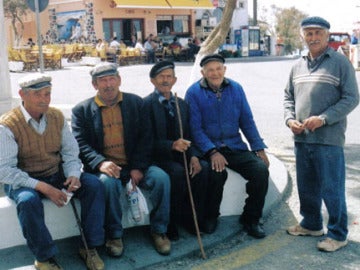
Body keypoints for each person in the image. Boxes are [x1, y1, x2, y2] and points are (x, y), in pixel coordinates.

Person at [0, 73, 106, 270]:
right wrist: (45, 188)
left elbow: (70, 151)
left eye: (47, 94)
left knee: (93, 185)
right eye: (38, 94)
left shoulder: (56, 116)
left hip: (54, 172)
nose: (44, 99)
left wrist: (73, 173)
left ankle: (89, 247)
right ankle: (44, 258)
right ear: (22, 94)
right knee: (27, 201)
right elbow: (4, 171)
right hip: (24, 179)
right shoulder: (7, 125)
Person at [71, 62, 172, 256]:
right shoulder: (81, 110)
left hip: (135, 164)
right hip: (108, 167)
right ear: (95, 85)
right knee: (106, 185)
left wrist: (138, 167)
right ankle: (114, 235)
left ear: (119, 80)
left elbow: (146, 137)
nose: (108, 85)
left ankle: (160, 231)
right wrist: (100, 162)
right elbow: (80, 143)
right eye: (102, 81)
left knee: (161, 179)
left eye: (112, 79)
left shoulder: (136, 103)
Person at [284, 16, 359, 252]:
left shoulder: (339, 62)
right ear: (302, 36)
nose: (313, 38)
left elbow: (351, 98)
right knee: (306, 186)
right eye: (309, 33)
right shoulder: (297, 65)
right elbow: (288, 97)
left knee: (331, 188)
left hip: (328, 139)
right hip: (302, 137)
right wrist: (289, 120)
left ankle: (337, 235)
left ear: (327, 35)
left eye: (318, 33)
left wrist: (323, 118)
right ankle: (312, 224)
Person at [185, 54, 270, 239]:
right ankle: (211, 216)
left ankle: (251, 219)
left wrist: (258, 148)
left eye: (218, 69)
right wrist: (212, 151)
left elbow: (247, 121)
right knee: (216, 173)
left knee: (260, 170)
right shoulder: (193, 92)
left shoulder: (236, 89)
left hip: (234, 146)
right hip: (208, 147)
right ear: (203, 73)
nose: (215, 73)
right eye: (210, 70)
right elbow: (195, 129)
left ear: (224, 70)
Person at [142, 61, 226, 240]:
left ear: (175, 80)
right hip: (158, 158)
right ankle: (171, 221)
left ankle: (193, 218)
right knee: (178, 173)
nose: (165, 80)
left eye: (169, 77)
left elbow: (191, 135)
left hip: (183, 154)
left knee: (202, 169)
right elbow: (145, 141)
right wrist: (170, 145)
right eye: (161, 77)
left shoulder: (181, 104)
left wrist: (194, 156)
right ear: (152, 80)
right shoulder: (145, 105)